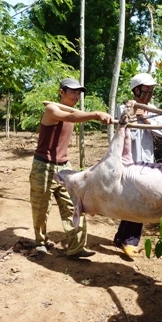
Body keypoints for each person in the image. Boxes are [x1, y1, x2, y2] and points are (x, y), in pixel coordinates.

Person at [30, 77, 113, 258]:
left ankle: (76, 247)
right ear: (61, 92)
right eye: (72, 92)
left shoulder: (73, 110)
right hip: (43, 166)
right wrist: (96, 114)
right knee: (41, 208)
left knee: (74, 206)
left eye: (78, 93)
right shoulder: (51, 109)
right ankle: (40, 242)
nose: (76, 95)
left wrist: (96, 115)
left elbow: (75, 115)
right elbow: (71, 117)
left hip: (64, 166)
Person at [113, 73, 162, 257]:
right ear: (136, 90)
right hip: (128, 162)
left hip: (146, 162)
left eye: (151, 90)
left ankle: (125, 238)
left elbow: (161, 133)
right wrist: (131, 115)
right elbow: (120, 131)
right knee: (131, 199)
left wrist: (146, 118)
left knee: (141, 200)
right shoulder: (122, 108)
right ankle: (126, 239)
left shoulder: (153, 109)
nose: (149, 93)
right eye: (146, 90)